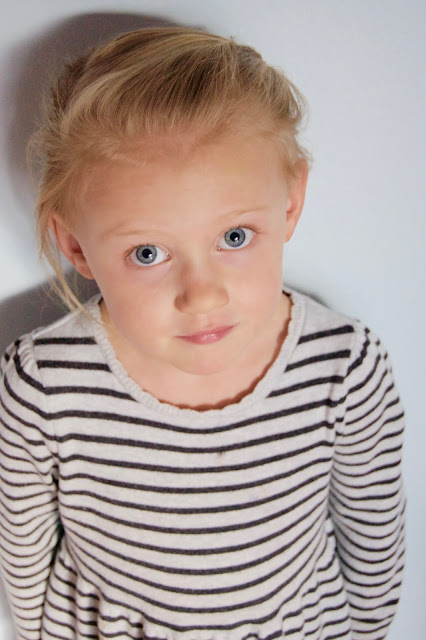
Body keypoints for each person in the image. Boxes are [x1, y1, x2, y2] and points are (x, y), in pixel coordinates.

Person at [0, 26, 405, 640]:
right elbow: (24, 559)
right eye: (147, 253)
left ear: (290, 204)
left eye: (234, 237)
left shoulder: (342, 367)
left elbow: (374, 539)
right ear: (76, 245)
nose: (203, 295)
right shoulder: (44, 386)